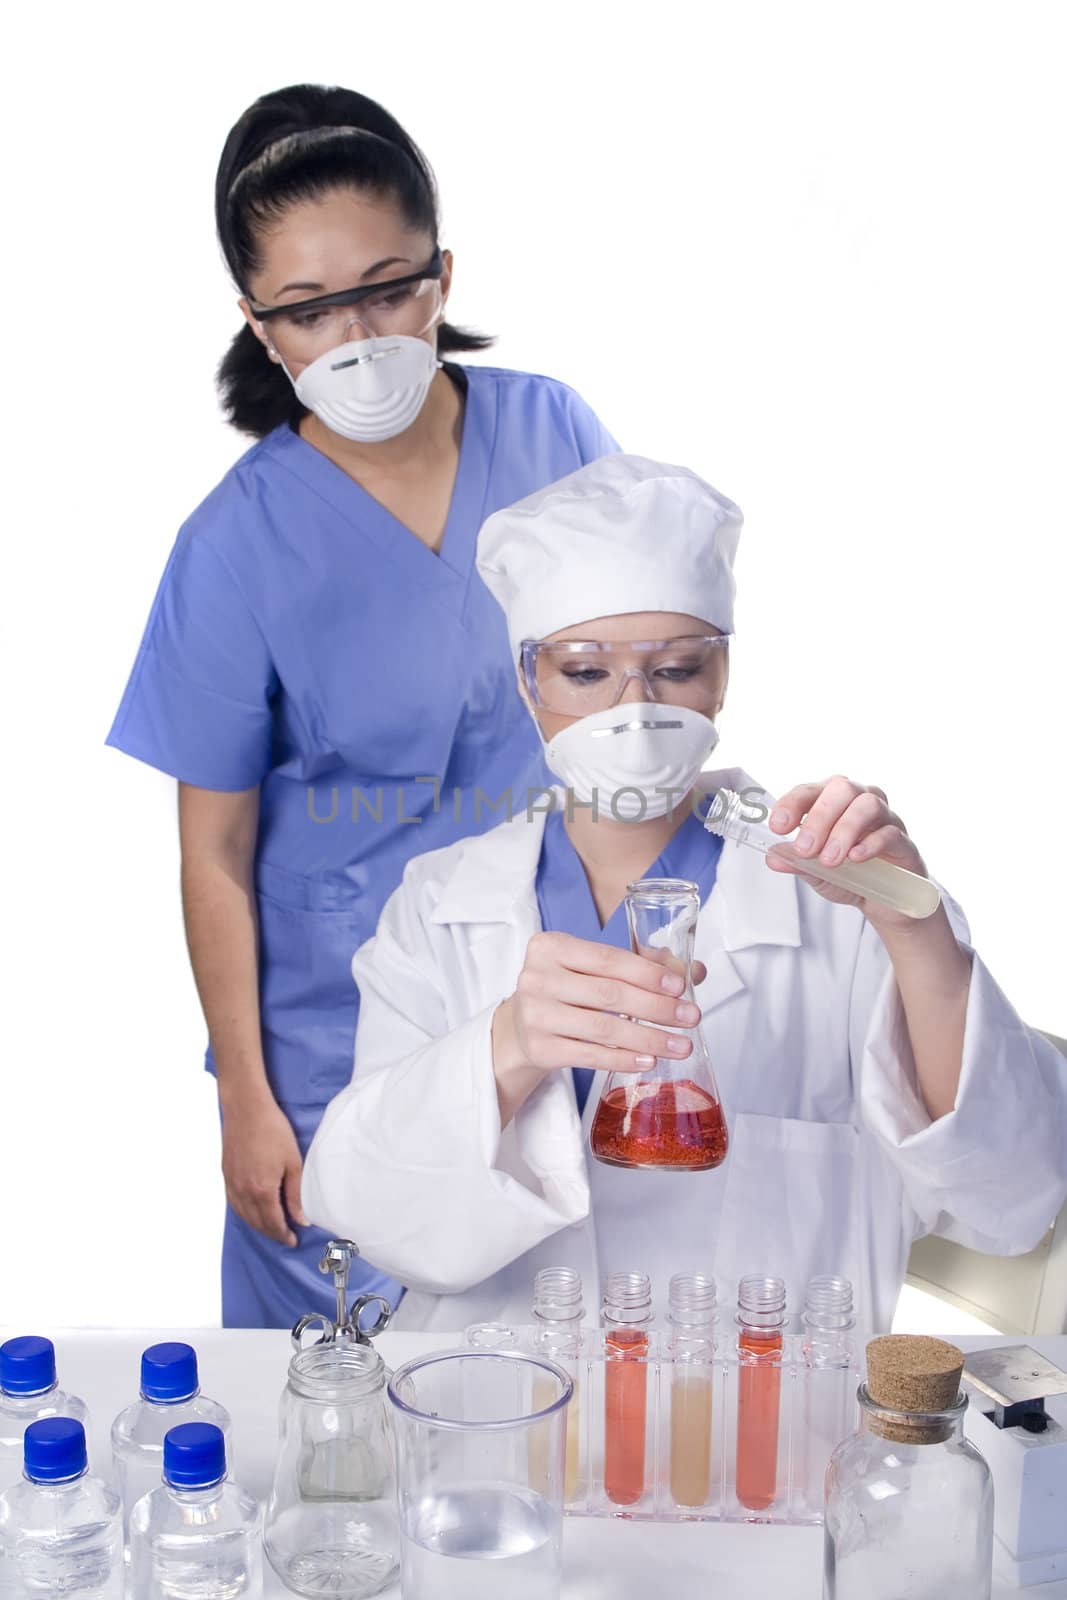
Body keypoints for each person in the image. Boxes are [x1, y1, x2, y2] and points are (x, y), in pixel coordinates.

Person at [302, 453, 1067, 1332]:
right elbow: (370, 1213)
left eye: (675, 670)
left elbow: (1010, 1199)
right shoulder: (440, 907)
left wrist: (921, 938)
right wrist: (509, 1045)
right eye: (585, 673)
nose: (634, 709)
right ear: (526, 679)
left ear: (722, 672)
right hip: (497, 1413)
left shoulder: (838, 893)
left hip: (767, 1422)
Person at [104, 83, 618, 1328]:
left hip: (552, 990)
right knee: (343, 1418)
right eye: (308, 308)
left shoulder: (551, 430)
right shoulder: (236, 545)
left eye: (387, 288)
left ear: (442, 275)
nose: (355, 332)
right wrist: (246, 1099)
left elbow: (637, 680)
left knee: (559, 1394)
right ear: (258, 324)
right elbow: (212, 854)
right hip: (338, 1041)